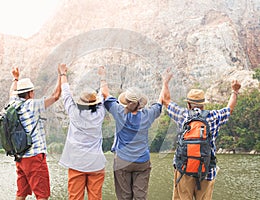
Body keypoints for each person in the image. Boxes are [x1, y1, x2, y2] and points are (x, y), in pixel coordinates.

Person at [160, 69, 241, 200]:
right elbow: (229, 109)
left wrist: (165, 82)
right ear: (203, 104)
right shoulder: (213, 116)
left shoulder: (182, 115)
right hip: (207, 170)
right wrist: (235, 91)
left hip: (184, 169)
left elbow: (165, 100)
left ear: (188, 104)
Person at [99, 66, 163, 200]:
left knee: (124, 196)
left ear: (126, 101)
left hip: (123, 161)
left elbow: (105, 93)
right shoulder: (148, 115)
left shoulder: (119, 112)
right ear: (140, 103)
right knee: (140, 197)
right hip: (142, 162)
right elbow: (160, 102)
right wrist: (165, 83)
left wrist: (103, 77)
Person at [9, 64, 62, 200]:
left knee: (21, 193)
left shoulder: (12, 104)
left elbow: (11, 92)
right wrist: (61, 75)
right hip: (34, 157)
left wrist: (15, 79)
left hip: (20, 157)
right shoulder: (32, 105)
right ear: (30, 93)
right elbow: (56, 96)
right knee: (42, 195)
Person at [58, 65, 107, 200]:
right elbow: (103, 94)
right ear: (95, 103)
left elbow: (66, 93)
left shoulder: (74, 113)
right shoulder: (99, 114)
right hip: (96, 164)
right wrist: (102, 77)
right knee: (95, 197)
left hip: (76, 163)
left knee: (75, 197)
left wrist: (63, 74)